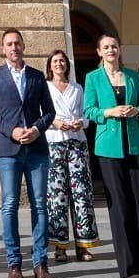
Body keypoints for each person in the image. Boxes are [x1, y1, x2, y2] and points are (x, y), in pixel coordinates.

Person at [83, 33, 139, 278]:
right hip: (108, 148)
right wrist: (110, 112)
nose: (111, 50)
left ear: (120, 49)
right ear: (99, 52)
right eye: (106, 47)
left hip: (136, 146)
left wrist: (138, 110)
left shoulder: (131, 76)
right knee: (121, 209)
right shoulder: (93, 78)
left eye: (114, 46)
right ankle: (129, 267)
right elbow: (89, 111)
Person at [0, 28, 58, 278]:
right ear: (3, 49)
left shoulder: (37, 77)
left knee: (39, 204)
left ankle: (40, 263)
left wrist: (36, 129)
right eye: (9, 44)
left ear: (23, 46)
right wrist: (10, 130)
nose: (14, 47)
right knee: (9, 205)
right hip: (9, 150)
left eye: (17, 43)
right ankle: (14, 263)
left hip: (36, 150)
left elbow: (49, 111)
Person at [44, 49, 99, 263]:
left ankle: (84, 244)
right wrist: (55, 122)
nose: (59, 64)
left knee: (81, 194)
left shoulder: (77, 88)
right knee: (57, 196)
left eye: (62, 61)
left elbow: (86, 115)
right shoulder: (45, 87)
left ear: (67, 65)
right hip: (54, 142)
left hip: (77, 142)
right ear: (50, 66)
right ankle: (60, 246)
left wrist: (80, 123)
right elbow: (40, 114)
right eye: (55, 61)